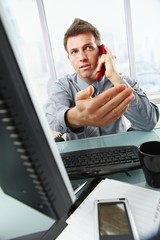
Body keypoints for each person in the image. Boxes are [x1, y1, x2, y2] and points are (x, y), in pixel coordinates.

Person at [44, 18, 159, 141]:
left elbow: (148, 123)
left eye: (88, 48)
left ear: (101, 51)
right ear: (69, 59)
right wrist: (78, 117)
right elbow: (51, 118)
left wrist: (115, 78)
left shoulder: (121, 81)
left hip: (118, 152)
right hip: (81, 156)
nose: (82, 57)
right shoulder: (62, 86)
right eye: (74, 52)